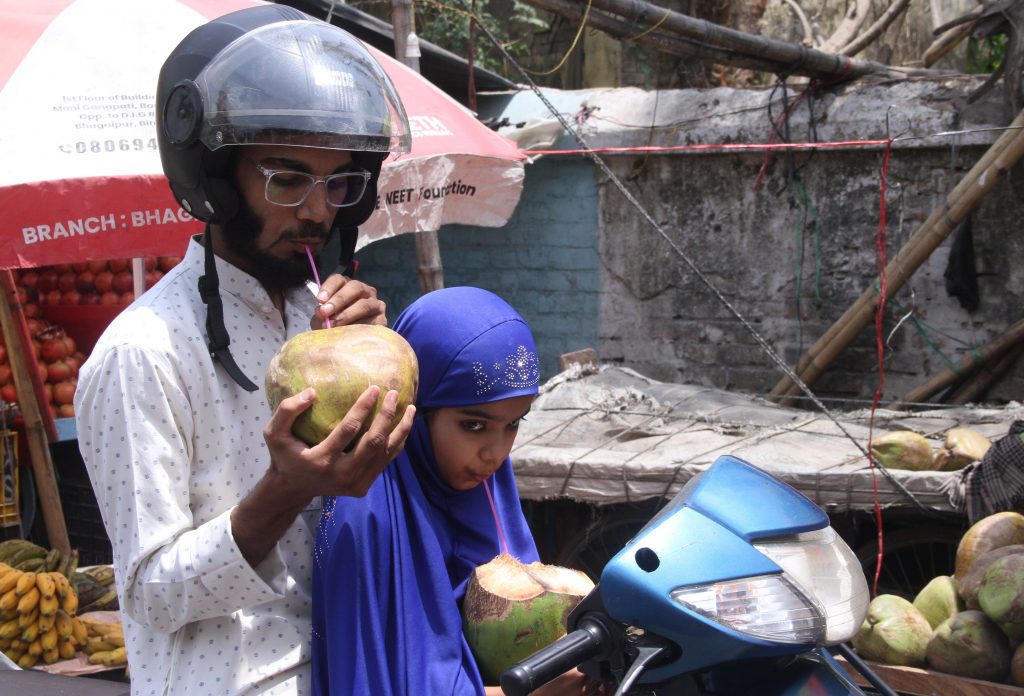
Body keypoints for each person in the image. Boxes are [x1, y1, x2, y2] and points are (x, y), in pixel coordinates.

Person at [74, 6, 415, 695]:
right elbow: (149, 595)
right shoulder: (142, 353)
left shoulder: (316, 318)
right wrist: (285, 491)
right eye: (287, 180)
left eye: (339, 183)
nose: (318, 212)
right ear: (218, 181)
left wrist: (375, 357)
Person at [311, 286, 596, 695]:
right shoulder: (364, 515)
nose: (496, 454)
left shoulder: (490, 491)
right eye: (474, 425)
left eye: (513, 424)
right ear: (416, 408)